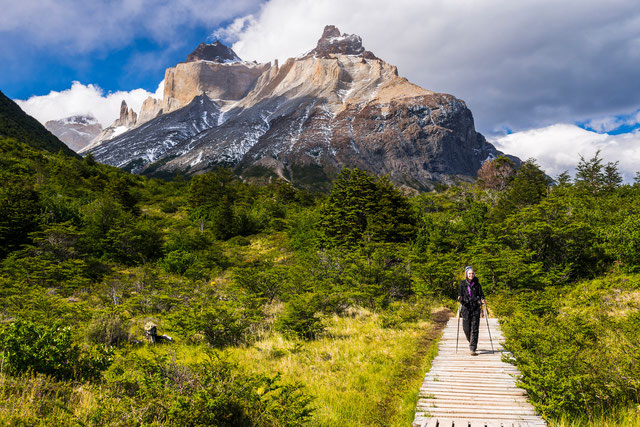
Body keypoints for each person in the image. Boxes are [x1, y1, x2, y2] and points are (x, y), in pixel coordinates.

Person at [458, 266, 485, 356]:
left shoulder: (477, 284)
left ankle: (473, 348)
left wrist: (482, 299)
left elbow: (481, 294)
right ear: (466, 274)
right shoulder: (462, 283)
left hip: (475, 308)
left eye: (472, 273)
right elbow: (460, 294)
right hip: (466, 308)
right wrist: (460, 298)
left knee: (475, 328)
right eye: (469, 273)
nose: (471, 275)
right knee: (466, 328)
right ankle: (471, 340)